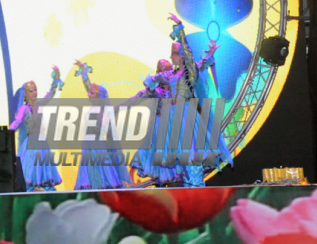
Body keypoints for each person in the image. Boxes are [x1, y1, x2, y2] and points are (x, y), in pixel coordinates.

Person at [142, 14, 233, 186]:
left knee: (192, 160)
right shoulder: (172, 74)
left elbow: (194, 61)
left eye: (174, 54)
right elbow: (154, 81)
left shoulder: (188, 72)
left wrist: (180, 28)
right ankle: (189, 188)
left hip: (187, 117)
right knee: (182, 163)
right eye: (171, 54)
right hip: (173, 118)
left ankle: (197, 189)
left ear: (182, 55)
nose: (171, 58)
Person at [73, 61, 132, 190]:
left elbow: (103, 130)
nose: (88, 94)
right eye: (90, 92)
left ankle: (102, 187)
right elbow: (88, 87)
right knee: (88, 168)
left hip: (97, 144)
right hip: (88, 144)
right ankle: (92, 186)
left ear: (99, 97)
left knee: (101, 168)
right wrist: (83, 72)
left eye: (92, 93)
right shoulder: (95, 108)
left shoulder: (105, 111)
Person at [9, 67, 63, 191]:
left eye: (35, 90)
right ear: (25, 94)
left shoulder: (39, 104)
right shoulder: (24, 109)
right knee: (30, 168)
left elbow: (50, 95)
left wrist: (55, 81)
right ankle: (28, 190)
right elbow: (17, 122)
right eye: (31, 90)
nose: (34, 92)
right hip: (30, 142)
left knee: (43, 167)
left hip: (41, 141)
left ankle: (49, 189)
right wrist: (7, 132)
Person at [130, 59, 183, 185]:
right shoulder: (154, 90)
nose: (168, 72)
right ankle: (161, 183)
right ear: (158, 72)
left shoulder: (178, 86)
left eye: (170, 69)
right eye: (165, 70)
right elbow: (136, 98)